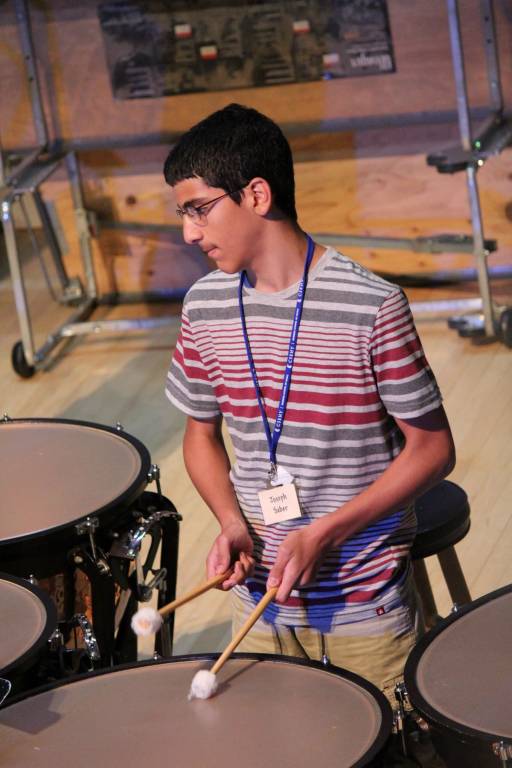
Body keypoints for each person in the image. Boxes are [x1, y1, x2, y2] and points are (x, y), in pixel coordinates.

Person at [163, 103, 455, 699]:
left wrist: (326, 531)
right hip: (259, 609)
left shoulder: (370, 306)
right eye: (183, 214)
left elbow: (433, 451)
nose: (189, 233)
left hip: (363, 608)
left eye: (199, 209)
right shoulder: (203, 306)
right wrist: (230, 521)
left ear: (257, 195)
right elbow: (200, 435)